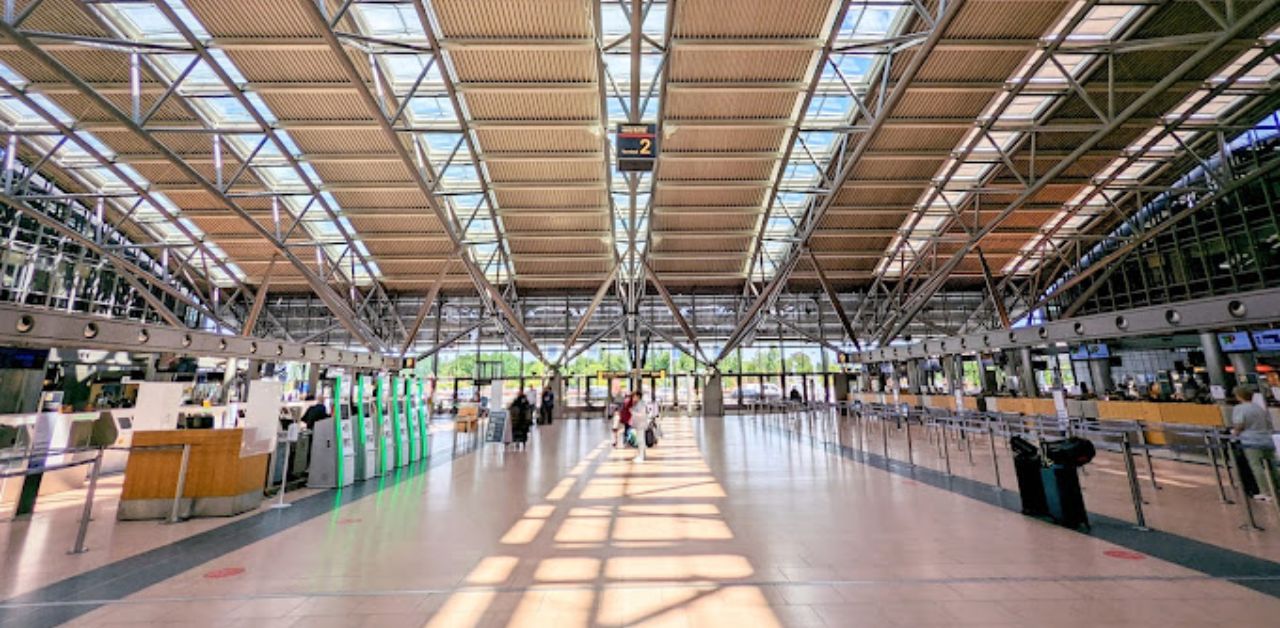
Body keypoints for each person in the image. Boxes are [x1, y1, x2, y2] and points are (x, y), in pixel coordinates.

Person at [1231, 385, 1280, 501]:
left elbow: (1239, 425)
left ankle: (1265, 491)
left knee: (1256, 466)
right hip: (1266, 439)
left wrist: (1234, 433)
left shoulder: (1239, 408)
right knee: (1272, 465)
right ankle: (1277, 487)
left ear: (1239, 396)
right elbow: (1269, 424)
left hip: (1250, 441)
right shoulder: (1260, 408)